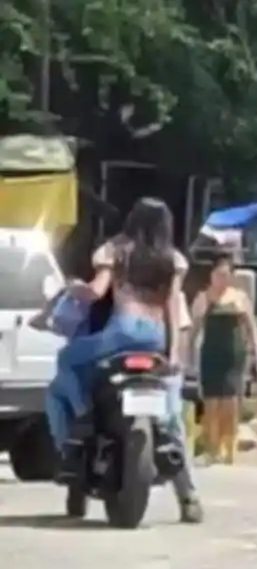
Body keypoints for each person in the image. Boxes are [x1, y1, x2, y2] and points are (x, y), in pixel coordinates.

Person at [44, 197, 203, 522]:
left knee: (66, 361)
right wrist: (172, 355)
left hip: (121, 334)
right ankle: (187, 495)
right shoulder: (172, 259)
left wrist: (75, 287)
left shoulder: (114, 250)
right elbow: (173, 307)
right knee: (170, 415)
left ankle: (83, 418)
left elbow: (96, 292)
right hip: (157, 339)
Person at [190, 251, 257, 463]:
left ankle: (228, 447)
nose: (221, 279)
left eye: (225, 275)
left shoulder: (240, 298)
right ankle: (212, 448)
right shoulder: (203, 298)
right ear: (211, 275)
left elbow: (252, 330)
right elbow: (194, 330)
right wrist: (186, 355)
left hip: (234, 356)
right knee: (212, 403)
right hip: (211, 355)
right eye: (218, 274)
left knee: (231, 403)